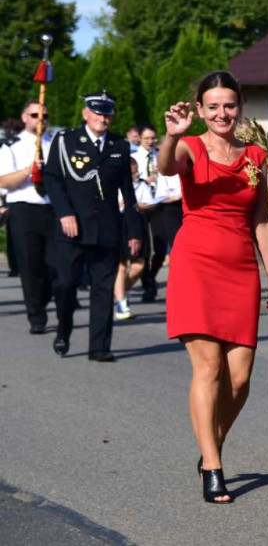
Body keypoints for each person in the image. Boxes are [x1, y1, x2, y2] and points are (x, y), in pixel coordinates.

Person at [158, 71, 268, 503]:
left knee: (241, 378)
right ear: (199, 110)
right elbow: (166, 165)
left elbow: (262, 219)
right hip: (196, 263)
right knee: (209, 368)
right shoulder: (190, 146)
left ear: (239, 107)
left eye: (228, 105)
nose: (221, 113)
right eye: (212, 106)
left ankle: (208, 441)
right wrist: (171, 136)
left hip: (240, 268)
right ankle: (213, 464)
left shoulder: (255, 157)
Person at [42, 91, 142, 361]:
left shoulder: (119, 146)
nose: (103, 118)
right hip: (71, 229)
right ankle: (63, 329)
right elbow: (52, 178)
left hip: (107, 228)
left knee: (103, 288)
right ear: (85, 114)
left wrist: (134, 229)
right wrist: (64, 213)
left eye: (107, 113)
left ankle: (99, 347)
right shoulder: (66, 140)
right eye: (97, 112)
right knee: (66, 284)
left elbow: (127, 192)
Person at [0, 100, 56, 333]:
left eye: (44, 116)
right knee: (30, 265)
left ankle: (41, 301)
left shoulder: (55, 144)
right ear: (24, 117)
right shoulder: (10, 145)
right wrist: (29, 169)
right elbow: (4, 181)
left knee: (54, 266)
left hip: (52, 208)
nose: (40, 120)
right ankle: (36, 316)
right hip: (24, 208)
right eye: (35, 115)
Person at [138, 138, 183, 302]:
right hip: (155, 208)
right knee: (157, 250)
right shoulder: (145, 159)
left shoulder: (179, 162)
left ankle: (178, 286)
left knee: (177, 248)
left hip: (174, 208)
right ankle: (149, 282)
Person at [111, 158, 151, 320]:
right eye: (131, 172)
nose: (134, 175)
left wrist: (142, 205)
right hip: (118, 223)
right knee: (120, 265)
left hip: (136, 224)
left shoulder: (141, 185)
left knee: (139, 265)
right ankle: (121, 303)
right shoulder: (113, 185)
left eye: (135, 172)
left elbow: (150, 203)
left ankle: (117, 290)